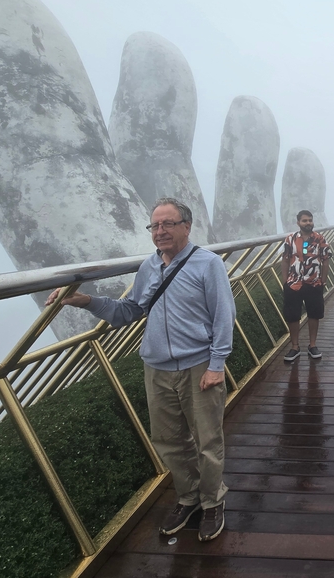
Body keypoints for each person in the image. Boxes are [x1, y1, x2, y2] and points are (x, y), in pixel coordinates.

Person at [46, 197, 234, 542]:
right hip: (157, 368)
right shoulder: (148, 267)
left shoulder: (208, 264)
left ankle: (213, 502)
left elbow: (224, 316)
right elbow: (129, 311)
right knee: (169, 440)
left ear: (186, 227)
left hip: (198, 366)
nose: (160, 231)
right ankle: (189, 497)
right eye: (155, 226)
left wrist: (217, 365)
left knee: (208, 440)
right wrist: (86, 301)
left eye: (168, 224)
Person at [282, 210, 332, 362]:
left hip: (314, 282)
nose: (308, 223)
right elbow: (285, 259)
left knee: (314, 314)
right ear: (298, 223)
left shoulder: (319, 239)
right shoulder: (290, 239)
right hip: (294, 283)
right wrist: (285, 282)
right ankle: (295, 347)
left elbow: (326, 259)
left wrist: (322, 279)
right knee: (292, 316)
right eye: (304, 220)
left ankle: (312, 345)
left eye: (310, 220)